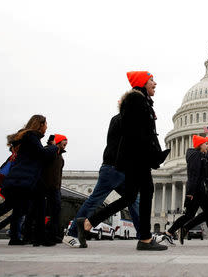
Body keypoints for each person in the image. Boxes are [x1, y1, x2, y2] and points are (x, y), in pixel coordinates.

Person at [75, 71, 170, 251]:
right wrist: (149, 155)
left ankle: (88, 222)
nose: (155, 83)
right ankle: (145, 239)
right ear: (143, 82)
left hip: (134, 158)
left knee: (130, 197)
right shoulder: (136, 100)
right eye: (151, 80)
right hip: (137, 158)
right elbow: (135, 133)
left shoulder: (140, 101)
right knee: (146, 192)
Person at [0, 115, 58, 246]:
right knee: (23, 206)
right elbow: (42, 155)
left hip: (22, 179)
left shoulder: (28, 137)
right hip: (23, 179)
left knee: (23, 207)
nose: (47, 127)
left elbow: (36, 155)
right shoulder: (31, 137)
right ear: (40, 124)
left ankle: (23, 237)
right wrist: (54, 147)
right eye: (46, 124)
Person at [62, 112, 140, 248]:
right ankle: (72, 233)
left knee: (134, 199)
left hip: (121, 170)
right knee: (95, 201)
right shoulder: (124, 119)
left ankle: (144, 236)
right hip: (113, 168)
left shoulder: (123, 119)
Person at [159, 135, 208, 247]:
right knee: (207, 212)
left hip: (199, 189)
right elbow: (193, 175)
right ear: (200, 145)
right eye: (205, 144)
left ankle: (169, 233)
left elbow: (205, 177)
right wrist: (190, 192)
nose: (207, 145)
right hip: (198, 190)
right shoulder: (195, 156)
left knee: (190, 215)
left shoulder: (201, 156)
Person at [39, 134, 68, 246]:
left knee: (56, 211)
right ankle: (43, 235)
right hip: (45, 186)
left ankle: (53, 235)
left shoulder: (60, 157)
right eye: (64, 142)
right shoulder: (48, 151)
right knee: (43, 211)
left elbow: (58, 175)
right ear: (58, 142)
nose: (65, 144)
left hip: (55, 188)